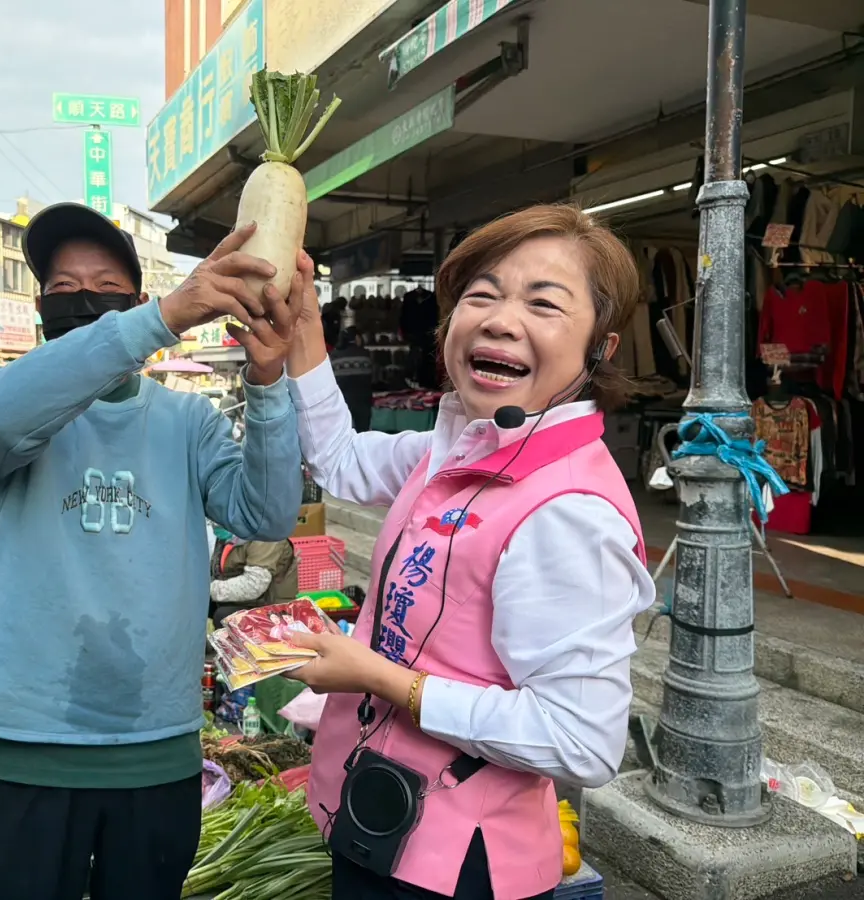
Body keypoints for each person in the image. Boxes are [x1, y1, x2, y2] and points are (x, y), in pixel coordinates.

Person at [280, 205, 656, 900]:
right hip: (378, 824)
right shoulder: (457, 446)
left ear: (598, 350)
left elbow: (581, 740)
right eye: (482, 294)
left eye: (544, 303)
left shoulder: (567, 512)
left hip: (459, 868)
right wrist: (304, 326)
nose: (501, 319)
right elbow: (340, 459)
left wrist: (381, 676)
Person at [0, 202, 304, 900]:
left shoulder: (187, 419)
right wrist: (160, 321)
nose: (82, 299)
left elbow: (265, 511)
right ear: (40, 306)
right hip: (28, 745)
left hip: (156, 745)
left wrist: (267, 383)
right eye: (62, 288)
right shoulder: (7, 402)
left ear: (135, 299)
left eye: (105, 286)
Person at [208, 527, 299, 629]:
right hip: (242, 600)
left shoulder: (266, 538)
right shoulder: (230, 538)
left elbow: (253, 585)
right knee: (195, 603)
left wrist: (207, 590)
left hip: (269, 606)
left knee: (224, 616)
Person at [324, 321, 374, 433]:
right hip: (363, 401)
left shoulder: (334, 356)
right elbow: (372, 378)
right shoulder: (365, 354)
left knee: (344, 433)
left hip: (342, 401)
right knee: (363, 433)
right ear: (356, 338)